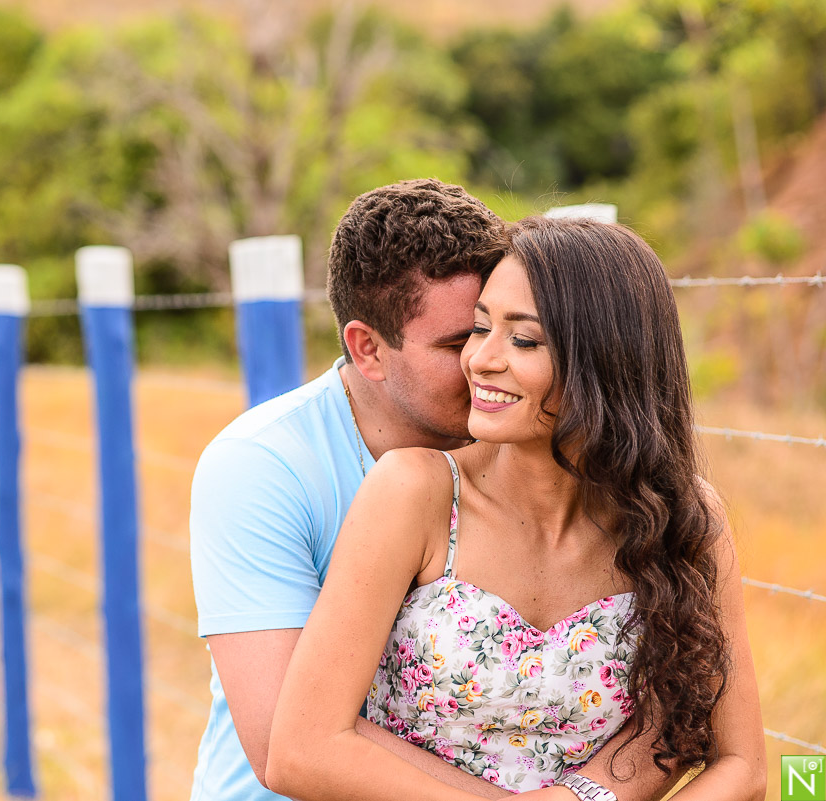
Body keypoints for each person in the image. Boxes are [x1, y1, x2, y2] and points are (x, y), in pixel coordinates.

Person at [189, 182, 681, 801]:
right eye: (462, 339)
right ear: (368, 349)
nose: (482, 359)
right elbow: (279, 748)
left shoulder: (530, 449)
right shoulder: (262, 467)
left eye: (511, 331)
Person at [264, 216, 766, 800]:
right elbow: (302, 751)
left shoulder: (682, 519)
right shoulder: (415, 492)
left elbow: (742, 767)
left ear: (607, 360)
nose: (479, 360)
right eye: (479, 329)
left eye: (523, 340)